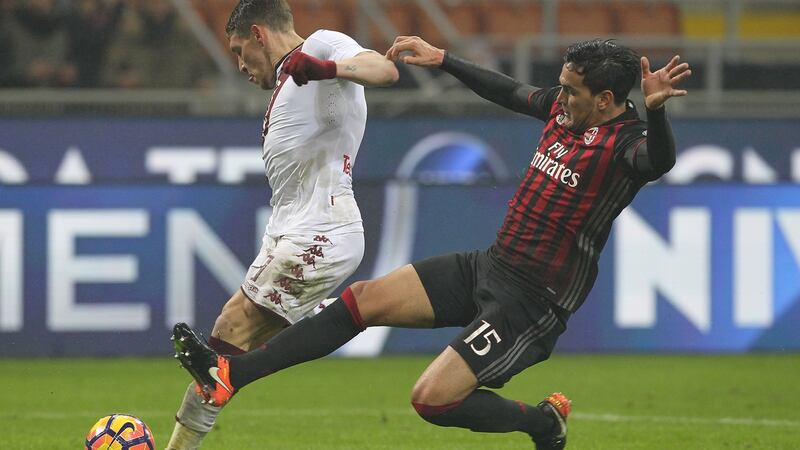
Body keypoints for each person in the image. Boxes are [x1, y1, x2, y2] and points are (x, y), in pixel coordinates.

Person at [173, 34, 691, 449]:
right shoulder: (563, 110)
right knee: (364, 300)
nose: (560, 97)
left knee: (431, 400)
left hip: (533, 301)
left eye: (571, 91)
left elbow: (659, 160)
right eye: (561, 87)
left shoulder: (627, 145)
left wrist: (657, 112)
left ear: (605, 100)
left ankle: (542, 423)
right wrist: (444, 59)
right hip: (490, 265)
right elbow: (509, 91)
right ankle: (232, 373)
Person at [166, 1, 399, 449]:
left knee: (231, 331)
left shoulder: (321, 45)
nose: (240, 65)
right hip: (292, 230)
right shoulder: (287, 85)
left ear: (258, 34)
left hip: (323, 228)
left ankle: (353, 312)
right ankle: (342, 314)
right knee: (224, 344)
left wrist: (328, 68)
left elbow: (384, 70)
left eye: (239, 51)